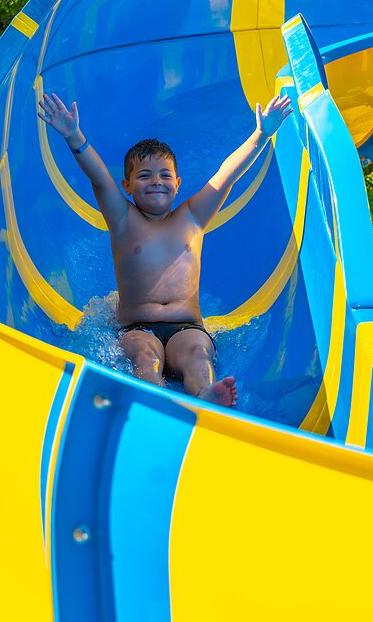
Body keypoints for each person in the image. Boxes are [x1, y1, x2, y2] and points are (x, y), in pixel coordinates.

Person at [37, 90, 294, 406]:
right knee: (145, 357)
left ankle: (205, 396)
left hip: (187, 326)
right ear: (127, 186)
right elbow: (100, 178)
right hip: (137, 328)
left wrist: (260, 135)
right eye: (144, 176)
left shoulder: (193, 217)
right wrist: (74, 135)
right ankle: (155, 399)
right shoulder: (123, 219)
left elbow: (226, 177)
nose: (155, 181)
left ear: (178, 183)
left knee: (198, 354)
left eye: (164, 175)